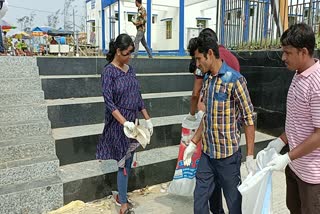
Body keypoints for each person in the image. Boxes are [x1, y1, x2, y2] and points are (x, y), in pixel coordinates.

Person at [183, 35, 256, 214]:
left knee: (233, 203)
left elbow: (248, 119)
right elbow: (207, 116)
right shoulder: (208, 80)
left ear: (209, 54)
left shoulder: (235, 80)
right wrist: (193, 143)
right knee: (201, 201)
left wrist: (250, 155)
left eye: (199, 59)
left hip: (228, 158)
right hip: (207, 156)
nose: (197, 64)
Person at [264, 23, 320, 214]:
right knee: (294, 208)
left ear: (303, 52)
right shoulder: (298, 74)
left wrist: (287, 156)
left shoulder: (317, 84)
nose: (283, 57)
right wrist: (281, 140)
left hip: (313, 175)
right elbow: (299, 119)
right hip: (296, 166)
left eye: (287, 52)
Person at [97, 33, 153, 214]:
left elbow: (137, 96)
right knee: (123, 163)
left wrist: (147, 117)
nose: (129, 57)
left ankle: (121, 196)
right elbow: (109, 102)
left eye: (131, 53)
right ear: (117, 51)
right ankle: (123, 206)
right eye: (127, 53)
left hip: (133, 122)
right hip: (119, 124)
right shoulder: (108, 72)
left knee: (128, 163)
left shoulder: (130, 70)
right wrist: (124, 123)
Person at [186, 28, 240, 121]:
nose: (198, 63)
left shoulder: (206, 59)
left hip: (215, 112)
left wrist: (191, 115)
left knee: (201, 98)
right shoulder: (233, 58)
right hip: (232, 113)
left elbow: (196, 92)